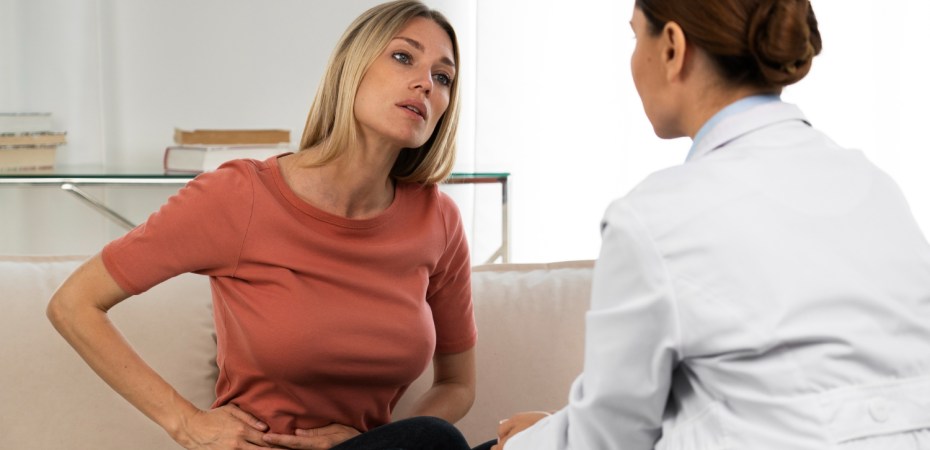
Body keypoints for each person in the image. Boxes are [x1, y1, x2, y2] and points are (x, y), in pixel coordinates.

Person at [492, 0, 930, 448]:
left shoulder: (654, 217)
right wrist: (553, 428)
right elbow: (783, 396)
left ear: (672, 47)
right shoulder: (876, 188)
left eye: (636, 36)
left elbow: (609, 439)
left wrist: (527, 443)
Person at [47, 1, 480, 449]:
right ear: (351, 67)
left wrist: (381, 442)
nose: (425, 83)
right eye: (404, 57)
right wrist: (185, 423)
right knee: (438, 439)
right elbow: (74, 304)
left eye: (443, 77)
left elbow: (458, 383)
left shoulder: (438, 221)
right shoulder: (240, 197)